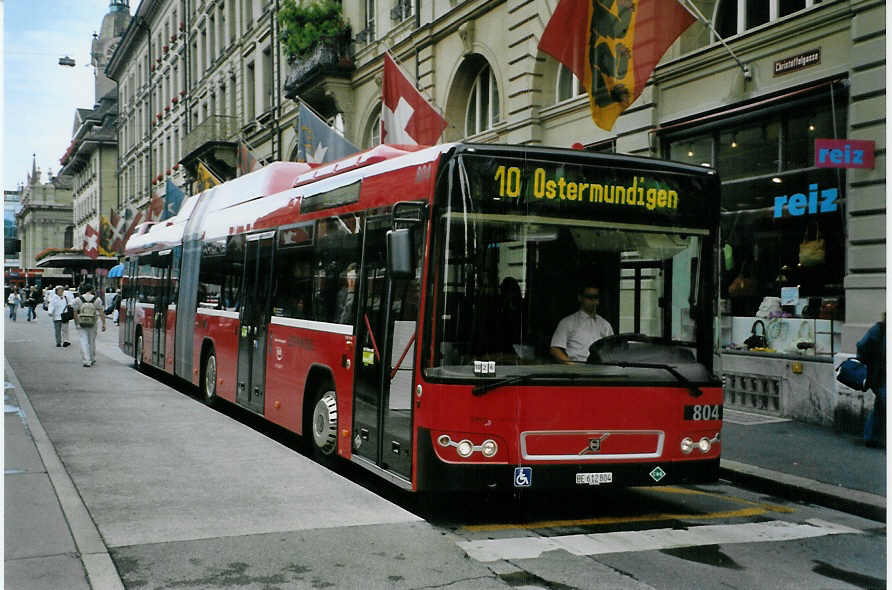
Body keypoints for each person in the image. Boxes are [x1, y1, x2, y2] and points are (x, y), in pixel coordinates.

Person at [550, 283, 614, 363]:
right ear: (580, 298)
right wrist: (572, 366)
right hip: (576, 369)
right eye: (589, 297)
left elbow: (612, 350)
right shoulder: (567, 322)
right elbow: (555, 349)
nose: (593, 300)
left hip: (601, 369)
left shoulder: (605, 325)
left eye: (595, 297)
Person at [858, 315, 886, 448]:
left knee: (880, 406)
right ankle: (871, 436)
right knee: (883, 402)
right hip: (880, 375)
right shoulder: (879, 329)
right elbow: (862, 346)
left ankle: (871, 437)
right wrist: (868, 362)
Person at [73, 283, 106, 367]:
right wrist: (103, 324)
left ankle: (86, 360)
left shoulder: (78, 299)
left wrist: (76, 323)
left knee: (83, 341)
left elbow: (75, 312)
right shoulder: (97, 299)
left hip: (82, 322)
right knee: (91, 341)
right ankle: (92, 358)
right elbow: (101, 312)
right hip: (93, 322)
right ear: (92, 290)